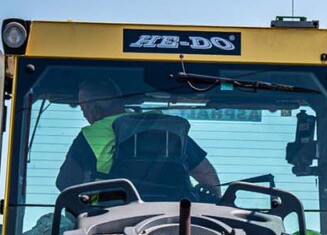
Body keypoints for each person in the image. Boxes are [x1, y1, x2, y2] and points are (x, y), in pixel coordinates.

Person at [57, 76, 221, 197]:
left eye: (83, 110)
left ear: (94, 109)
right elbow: (205, 174)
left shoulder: (91, 135)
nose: (85, 115)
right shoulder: (166, 127)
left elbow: (65, 184)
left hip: (108, 221)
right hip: (177, 221)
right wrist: (215, 204)